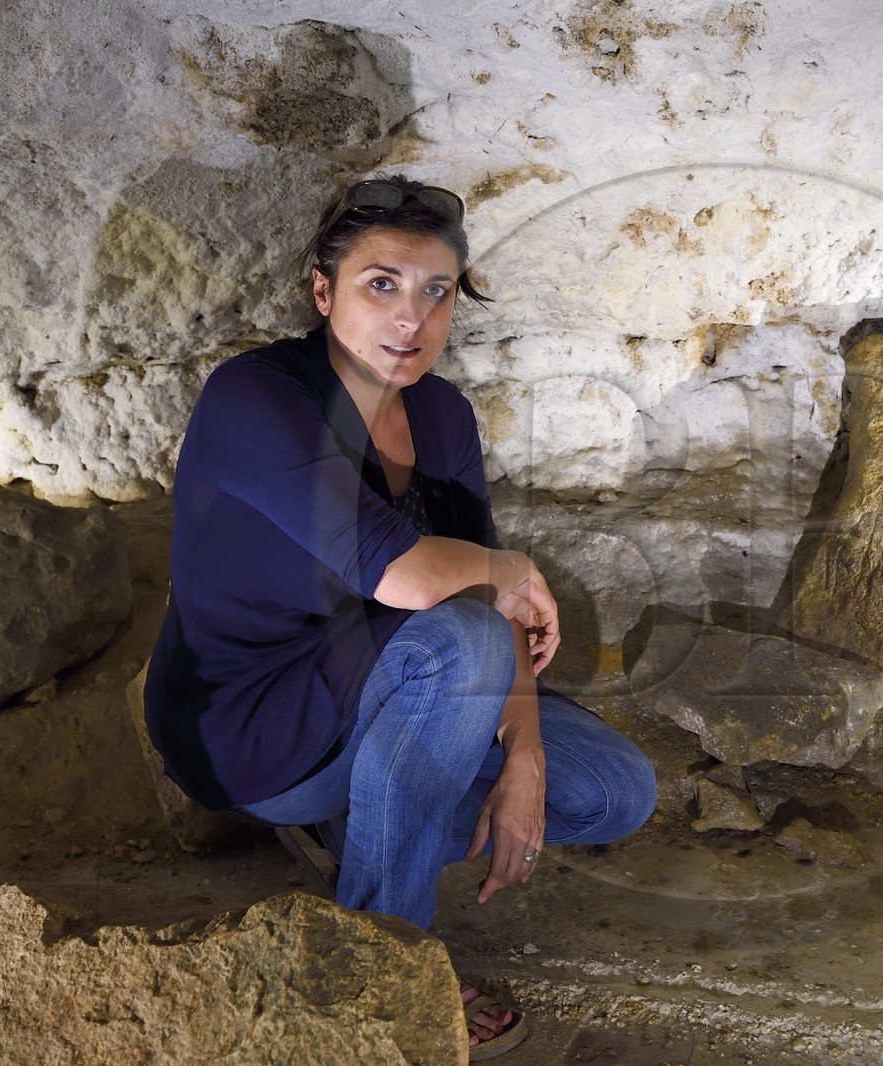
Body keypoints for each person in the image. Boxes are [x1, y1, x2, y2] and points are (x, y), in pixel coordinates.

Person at [143, 175, 656, 1059]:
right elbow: (422, 582)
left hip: (396, 688)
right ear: (321, 291)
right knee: (453, 643)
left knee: (614, 790)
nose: (411, 317)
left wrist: (525, 754)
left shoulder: (444, 416)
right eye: (381, 284)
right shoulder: (255, 400)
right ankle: (382, 973)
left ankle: (372, 822)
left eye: (435, 290)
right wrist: (511, 570)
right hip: (252, 726)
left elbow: (490, 607)